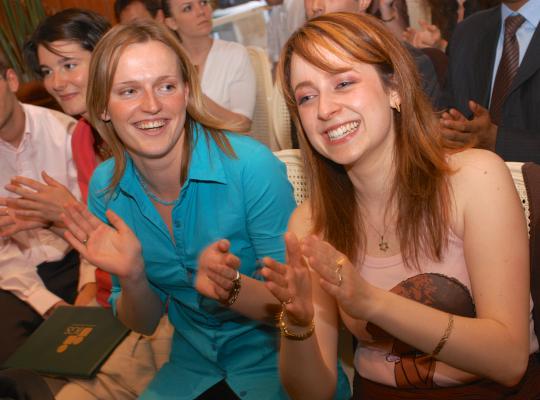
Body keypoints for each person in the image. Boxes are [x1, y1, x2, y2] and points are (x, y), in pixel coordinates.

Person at [261, 12, 540, 399]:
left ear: (394, 89)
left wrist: (371, 302)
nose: (325, 109)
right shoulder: (310, 225)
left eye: (343, 82)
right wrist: (298, 323)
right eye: (307, 97)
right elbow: (314, 391)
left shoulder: (475, 180)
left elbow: (509, 362)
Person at [61, 21, 299, 399]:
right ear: (103, 107)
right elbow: (144, 321)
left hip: (278, 360)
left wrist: (232, 289)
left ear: (187, 92)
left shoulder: (251, 167)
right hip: (191, 365)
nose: (151, 105)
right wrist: (134, 276)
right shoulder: (107, 190)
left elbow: (299, 309)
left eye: (166, 86)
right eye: (129, 91)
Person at [21, 9, 172, 399]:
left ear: (106, 57)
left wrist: (65, 214)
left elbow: (159, 237)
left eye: (68, 65)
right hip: (112, 294)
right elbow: (101, 229)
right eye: (47, 70)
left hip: (160, 300)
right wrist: (89, 287)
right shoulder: (82, 136)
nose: (56, 82)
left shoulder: (149, 129)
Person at [0, 48, 83, 364]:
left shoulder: (66, 133)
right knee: (17, 370)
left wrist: (87, 290)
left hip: (77, 259)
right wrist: (45, 302)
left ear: (10, 80)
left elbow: (93, 221)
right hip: (13, 278)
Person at [441, 0, 540, 163]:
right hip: (469, 177)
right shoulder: (467, 32)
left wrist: (497, 141)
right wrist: (454, 131)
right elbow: (445, 110)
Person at [304, 0, 444, 110]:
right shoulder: (302, 68)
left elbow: (422, 140)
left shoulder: (408, 65)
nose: (316, 6)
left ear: (363, 1)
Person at [162, 0, 256, 132]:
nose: (201, 11)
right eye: (188, 8)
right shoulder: (167, 63)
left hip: (226, 147)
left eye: (203, 2)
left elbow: (242, 124)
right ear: (172, 22)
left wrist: (194, 97)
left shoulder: (234, 54)